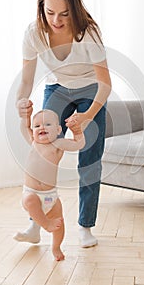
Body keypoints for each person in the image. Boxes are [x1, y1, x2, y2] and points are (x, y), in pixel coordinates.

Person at [15, 0, 112, 248]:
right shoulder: (33, 34)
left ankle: (85, 226)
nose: (56, 20)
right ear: (41, 9)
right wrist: (20, 103)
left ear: (75, 10)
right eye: (50, 13)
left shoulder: (88, 32)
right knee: (41, 149)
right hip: (56, 88)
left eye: (64, 14)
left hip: (91, 90)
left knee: (89, 160)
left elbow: (105, 84)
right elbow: (25, 81)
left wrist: (87, 116)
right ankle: (36, 225)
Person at [14, 106, 85, 261]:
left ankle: (56, 247)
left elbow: (79, 144)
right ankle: (45, 224)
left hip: (50, 196)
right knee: (29, 200)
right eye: (37, 126)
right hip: (31, 193)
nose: (41, 128)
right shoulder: (33, 142)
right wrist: (26, 116)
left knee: (59, 222)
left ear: (58, 129)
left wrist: (77, 131)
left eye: (47, 124)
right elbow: (24, 126)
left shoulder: (58, 145)